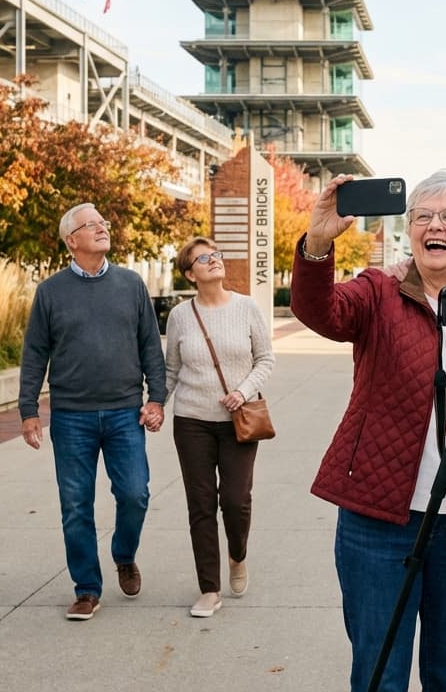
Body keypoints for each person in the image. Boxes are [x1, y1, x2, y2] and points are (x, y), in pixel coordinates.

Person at [291, 170, 446, 692]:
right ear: (410, 231)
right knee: (379, 671)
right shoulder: (378, 291)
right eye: (422, 216)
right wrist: (318, 242)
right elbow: (320, 310)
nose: (434, 225)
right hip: (380, 521)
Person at [17, 203, 166, 621]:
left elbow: (150, 346)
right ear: (72, 241)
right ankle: (87, 588)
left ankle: (123, 553)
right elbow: (35, 354)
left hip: (124, 413)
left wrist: (156, 398)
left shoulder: (131, 284)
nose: (102, 228)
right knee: (76, 505)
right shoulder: (50, 291)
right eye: (92, 225)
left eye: (103, 223)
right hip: (71, 416)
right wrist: (28, 409)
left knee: (135, 493)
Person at [165, 237, 275, 618]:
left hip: (238, 422)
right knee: (200, 505)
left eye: (216, 256)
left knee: (235, 500)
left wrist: (243, 392)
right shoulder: (180, 315)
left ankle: (238, 554)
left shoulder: (246, 308)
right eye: (204, 258)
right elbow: (171, 372)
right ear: (189, 273)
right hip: (191, 421)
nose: (214, 262)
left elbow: (265, 359)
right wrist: (154, 406)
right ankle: (209, 589)